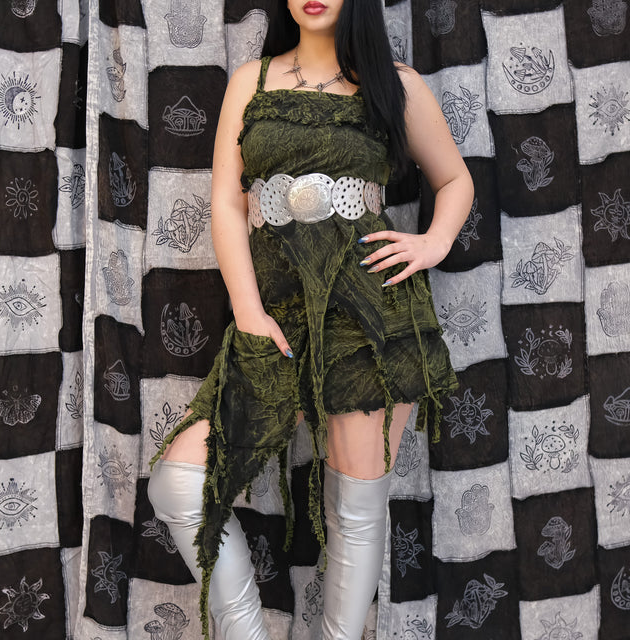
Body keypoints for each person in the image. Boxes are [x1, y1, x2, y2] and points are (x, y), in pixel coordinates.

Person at [148, 1, 474, 638]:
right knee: (180, 484)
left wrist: (432, 242)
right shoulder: (251, 81)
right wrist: (248, 312)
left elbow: (455, 179)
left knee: (354, 513)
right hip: (276, 316)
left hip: (370, 314)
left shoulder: (394, 84)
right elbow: (226, 202)